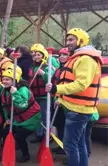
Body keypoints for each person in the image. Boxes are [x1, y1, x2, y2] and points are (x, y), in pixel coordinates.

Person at [46, 28, 102, 166]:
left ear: (81, 41)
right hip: (76, 108)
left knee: (70, 146)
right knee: (80, 144)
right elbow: (69, 82)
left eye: (71, 39)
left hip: (79, 110)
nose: (67, 42)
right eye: (67, 39)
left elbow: (81, 85)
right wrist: (60, 98)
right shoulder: (78, 57)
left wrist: (56, 88)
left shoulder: (86, 59)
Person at [0, 68, 41, 163]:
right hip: (17, 119)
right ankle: (7, 152)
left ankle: (25, 155)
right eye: (3, 79)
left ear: (14, 80)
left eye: (7, 79)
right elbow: (4, 107)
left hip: (31, 120)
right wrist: (8, 118)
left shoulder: (23, 89)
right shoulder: (4, 91)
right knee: (5, 131)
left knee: (20, 136)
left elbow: (22, 105)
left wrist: (15, 93)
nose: (4, 81)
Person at [28, 44, 55, 143]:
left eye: (39, 55)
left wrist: (43, 74)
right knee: (37, 116)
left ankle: (48, 135)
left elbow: (52, 79)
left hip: (44, 97)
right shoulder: (32, 68)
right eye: (35, 55)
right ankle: (39, 134)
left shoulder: (47, 67)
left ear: (43, 56)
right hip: (35, 96)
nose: (36, 57)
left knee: (45, 116)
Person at [51, 48, 70, 155]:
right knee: (59, 125)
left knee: (67, 128)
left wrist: (61, 99)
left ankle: (67, 150)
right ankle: (61, 146)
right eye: (60, 55)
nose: (61, 57)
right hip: (57, 102)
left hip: (66, 103)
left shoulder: (70, 70)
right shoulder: (59, 69)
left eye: (65, 55)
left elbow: (69, 88)